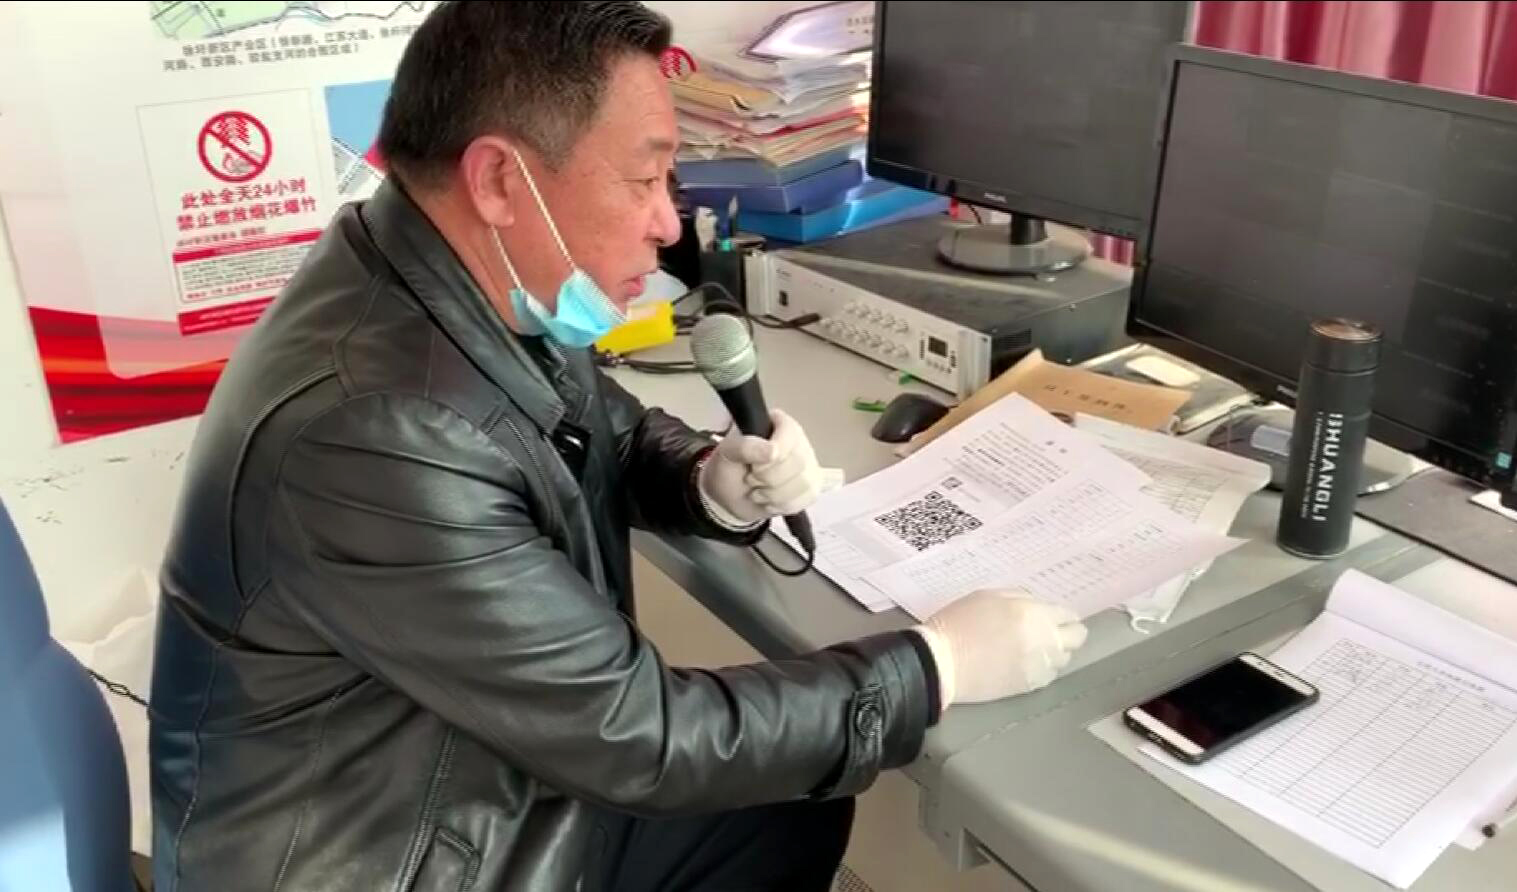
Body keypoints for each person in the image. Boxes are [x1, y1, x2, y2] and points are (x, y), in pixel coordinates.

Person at [147, 3, 1089, 890]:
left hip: (446, 768)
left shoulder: (437, 271)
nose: (669, 222)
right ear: (500, 180)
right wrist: (935, 667)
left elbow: (601, 423)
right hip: (379, 855)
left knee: (789, 802)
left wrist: (707, 481)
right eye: (644, 180)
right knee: (775, 770)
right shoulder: (378, 432)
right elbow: (642, 739)